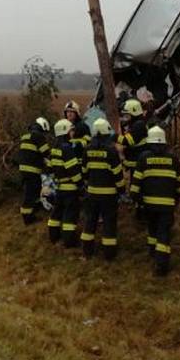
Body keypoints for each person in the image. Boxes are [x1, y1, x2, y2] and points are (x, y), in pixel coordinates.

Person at [132, 125, 180, 277]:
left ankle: (153, 253)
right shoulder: (173, 159)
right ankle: (161, 265)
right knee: (164, 233)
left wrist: (138, 200)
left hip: (148, 204)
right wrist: (177, 198)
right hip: (167, 206)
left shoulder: (143, 158)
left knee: (152, 229)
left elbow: (135, 185)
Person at [80, 118, 124, 260]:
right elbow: (117, 173)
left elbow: (84, 171)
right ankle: (109, 254)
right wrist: (122, 190)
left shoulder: (87, 149)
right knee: (109, 223)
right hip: (109, 195)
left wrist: (88, 185)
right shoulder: (111, 151)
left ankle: (87, 251)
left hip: (92, 193)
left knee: (90, 222)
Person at [46, 119, 83, 247]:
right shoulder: (67, 149)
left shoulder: (54, 148)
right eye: (71, 130)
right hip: (70, 188)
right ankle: (69, 241)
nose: (72, 133)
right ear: (65, 132)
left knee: (56, 213)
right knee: (69, 215)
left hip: (60, 187)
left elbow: (50, 168)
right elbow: (73, 170)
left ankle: (53, 236)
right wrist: (81, 185)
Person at [16, 117, 51, 225]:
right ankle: (28, 218)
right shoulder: (38, 136)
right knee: (30, 194)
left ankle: (33, 211)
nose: (45, 134)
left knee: (32, 191)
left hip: (23, 169)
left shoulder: (25, 136)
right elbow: (46, 152)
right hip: (32, 170)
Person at [119, 99, 148, 210]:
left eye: (127, 115)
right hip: (135, 161)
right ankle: (136, 201)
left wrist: (114, 137)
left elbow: (129, 141)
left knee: (138, 185)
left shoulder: (139, 125)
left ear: (134, 113)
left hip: (138, 161)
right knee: (134, 183)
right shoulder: (135, 124)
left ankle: (139, 204)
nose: (125, 118)